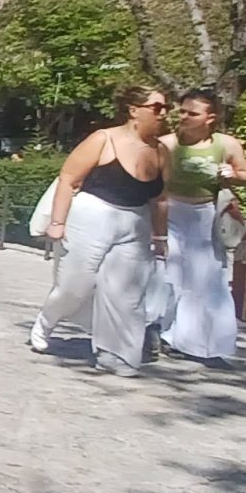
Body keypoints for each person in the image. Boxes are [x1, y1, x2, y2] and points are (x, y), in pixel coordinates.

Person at [31, 85, 171, 376]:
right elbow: (68, 179)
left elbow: (160, 199)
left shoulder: (161, 152)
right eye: (157, 107)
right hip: (92, 216)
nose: (164, 114)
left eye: (166, 108)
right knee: (74, 286)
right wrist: (57, 223)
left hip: (135, 222)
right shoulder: (103, 139)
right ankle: (45, 322)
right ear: (134, 110)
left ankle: (117, 354)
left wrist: (160, 237)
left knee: (127, 292)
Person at [161, 89, 246, 365]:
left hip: (205, 215)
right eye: (182, 111)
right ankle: (164, 333)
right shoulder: (167, 144)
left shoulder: (226, 145)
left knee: (205, 277)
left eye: (193, 113)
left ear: (210, 118)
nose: (184, 116)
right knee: (169, 274)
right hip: (170, 212)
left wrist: (233, 175)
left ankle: (198, 341)